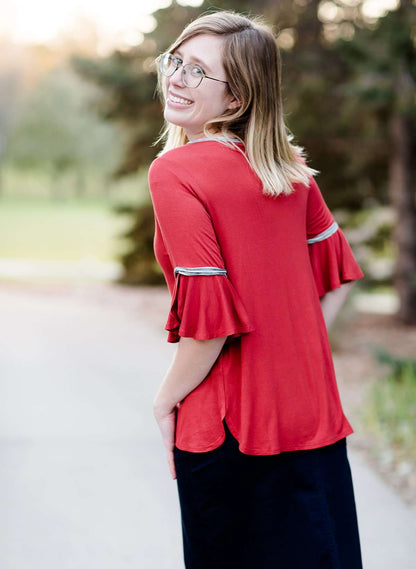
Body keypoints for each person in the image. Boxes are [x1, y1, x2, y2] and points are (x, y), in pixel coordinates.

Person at [148, 10, 364, 569]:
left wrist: (166, 398)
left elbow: (209, 327)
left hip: (226, 432)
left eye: (197, 72)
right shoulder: (290, 171)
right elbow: (335, 279)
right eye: (176, 61)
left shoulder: (176, 172)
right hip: (311, 421)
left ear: (237, 99)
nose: (175, 78)